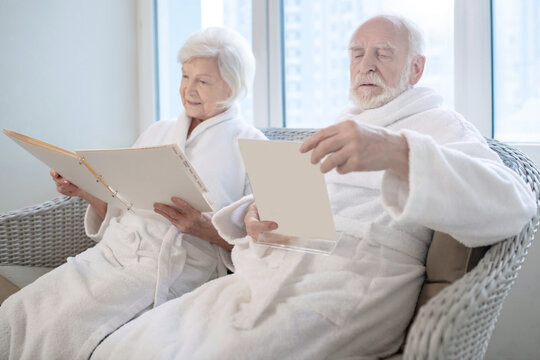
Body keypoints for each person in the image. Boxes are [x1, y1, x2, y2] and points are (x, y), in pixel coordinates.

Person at [91, 15, 536, 359]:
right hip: (270, 270)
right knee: (128, 344)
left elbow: (514, 206)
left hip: (348, 285)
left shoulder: (439, 124)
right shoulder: (344, 125)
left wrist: (398, 152)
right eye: (357, 53)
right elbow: (296, 208)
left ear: (416, 69)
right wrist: (254, 217)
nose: (366, 64)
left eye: (383, 53)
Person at [0, 26, 266, 359]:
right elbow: (122, 207)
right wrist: (83, 190)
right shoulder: (159, 131)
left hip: (169, 270)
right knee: (17, 311)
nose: (189, 89)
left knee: (64, 325)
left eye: (203, 81)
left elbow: (265, 246)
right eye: (185, 76)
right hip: (112, 256)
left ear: (233, 84)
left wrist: (202, 228)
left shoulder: (252, 146)